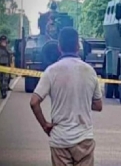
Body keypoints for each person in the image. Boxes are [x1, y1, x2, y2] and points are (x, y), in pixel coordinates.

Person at [30, 27, 102, 166]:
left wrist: (45, 125)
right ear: (77, 46)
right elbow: (98, 106)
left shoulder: (51, 71)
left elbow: (34, 102)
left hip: (60, 140)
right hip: (84, 140)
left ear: (59, 47)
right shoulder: (90, 71)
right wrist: (82, 100)